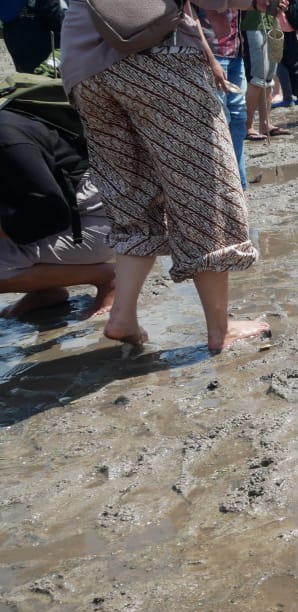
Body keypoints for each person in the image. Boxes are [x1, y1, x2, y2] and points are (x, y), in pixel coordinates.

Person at [59, 0, 271, 351]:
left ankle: (123, 315)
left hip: (83, 67)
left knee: (130, 196)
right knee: (207, 190)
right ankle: (220, 329)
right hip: (156, 56)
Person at [0, 98, 114, 318]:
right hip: (76, 209)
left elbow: (51, 212)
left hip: (97, 219)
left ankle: (107, 277)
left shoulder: (6, 138)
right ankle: (45, 289)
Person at [197, 8, 249, 188]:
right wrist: (211, 62)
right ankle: (225, 184)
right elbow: (191, 19)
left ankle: (240, 184)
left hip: (235, 54)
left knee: (239, 119)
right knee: (221, 121)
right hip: (213, 54)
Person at [243, 9, 289, 141]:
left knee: (270, 74)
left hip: (271, 22)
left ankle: (266, 123)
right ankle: (248, 126)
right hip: (251, 23)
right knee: (257, 76)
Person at [1, 0, 63, 74]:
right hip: (40, 38)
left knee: (28, 74)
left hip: (14, 35)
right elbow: (52, 11)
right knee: (44, 74)